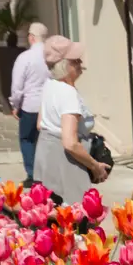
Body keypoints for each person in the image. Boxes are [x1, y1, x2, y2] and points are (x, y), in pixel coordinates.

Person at [33, 36, 109, 206]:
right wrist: (95, 166)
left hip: (46, 158)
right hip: (65, 164)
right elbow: (70, 143)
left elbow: (40, 125)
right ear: (64, 65)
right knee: (73, 218)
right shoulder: (67, 92)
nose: (80, 63)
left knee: (51, 213)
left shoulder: (49, 85)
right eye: (75, 60)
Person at [8, 22, 50, 182]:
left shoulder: (24, 58)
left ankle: (33, 175)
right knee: (46, 140)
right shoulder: (50, 56)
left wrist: (15, 104)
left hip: (30, 105)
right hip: (47, 105)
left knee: (27, 139)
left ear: (31, 38)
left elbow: (17, 86)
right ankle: (46, 172)